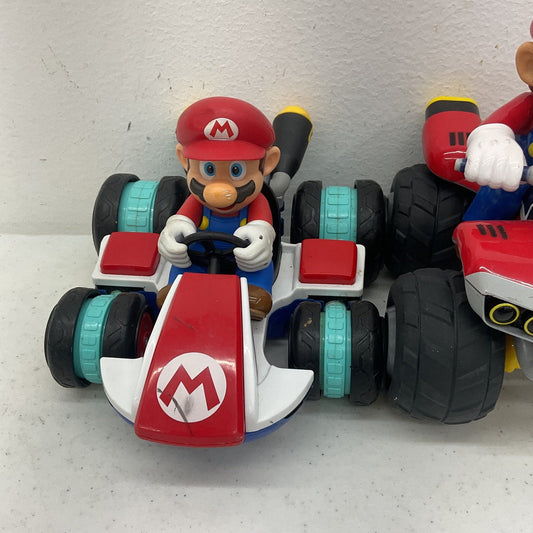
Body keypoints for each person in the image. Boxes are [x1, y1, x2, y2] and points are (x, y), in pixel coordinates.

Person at [158, 96, 281, 320]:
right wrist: (173, 234)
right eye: (209, 170)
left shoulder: (257, 202)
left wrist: (260, 238)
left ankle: (253, 292)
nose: (219, 190)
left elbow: (262, 229)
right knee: (183, 264)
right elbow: (180, 220)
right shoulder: (195, 201)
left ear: (269, 162)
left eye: (236, 171)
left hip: (245, 261)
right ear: (184, 160)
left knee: (259, 265)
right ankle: (179, 290)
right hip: (199, 256)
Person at [461, 20, 533, 220]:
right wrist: (495, 143)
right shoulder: (528, 106)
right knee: (497, 198)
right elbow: (494, 127)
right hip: (520, 175)